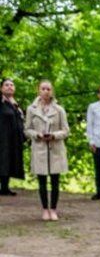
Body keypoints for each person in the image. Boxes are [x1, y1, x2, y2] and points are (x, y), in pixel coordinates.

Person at [25, 80, 69, 221]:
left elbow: (66, 130)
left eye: (48, 89)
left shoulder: (59, 110)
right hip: (39, 149)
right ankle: (45, 209)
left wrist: (54, 135)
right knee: (42, 181)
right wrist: (37, 135)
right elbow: (27, 129)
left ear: (52, 91)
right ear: (38, 90)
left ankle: (54, 209)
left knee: (55, 181)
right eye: (43, 88)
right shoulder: (31, 109)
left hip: (55, 149)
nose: (46, 91)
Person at [0, 77, 25, 196]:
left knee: (8, 160)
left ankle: (5, 187)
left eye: (12, 85)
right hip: (2, 138)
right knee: (2, 160)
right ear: (1, 88)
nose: (10, 87)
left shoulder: (15, 104)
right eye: (6, 85)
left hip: (13, 139)